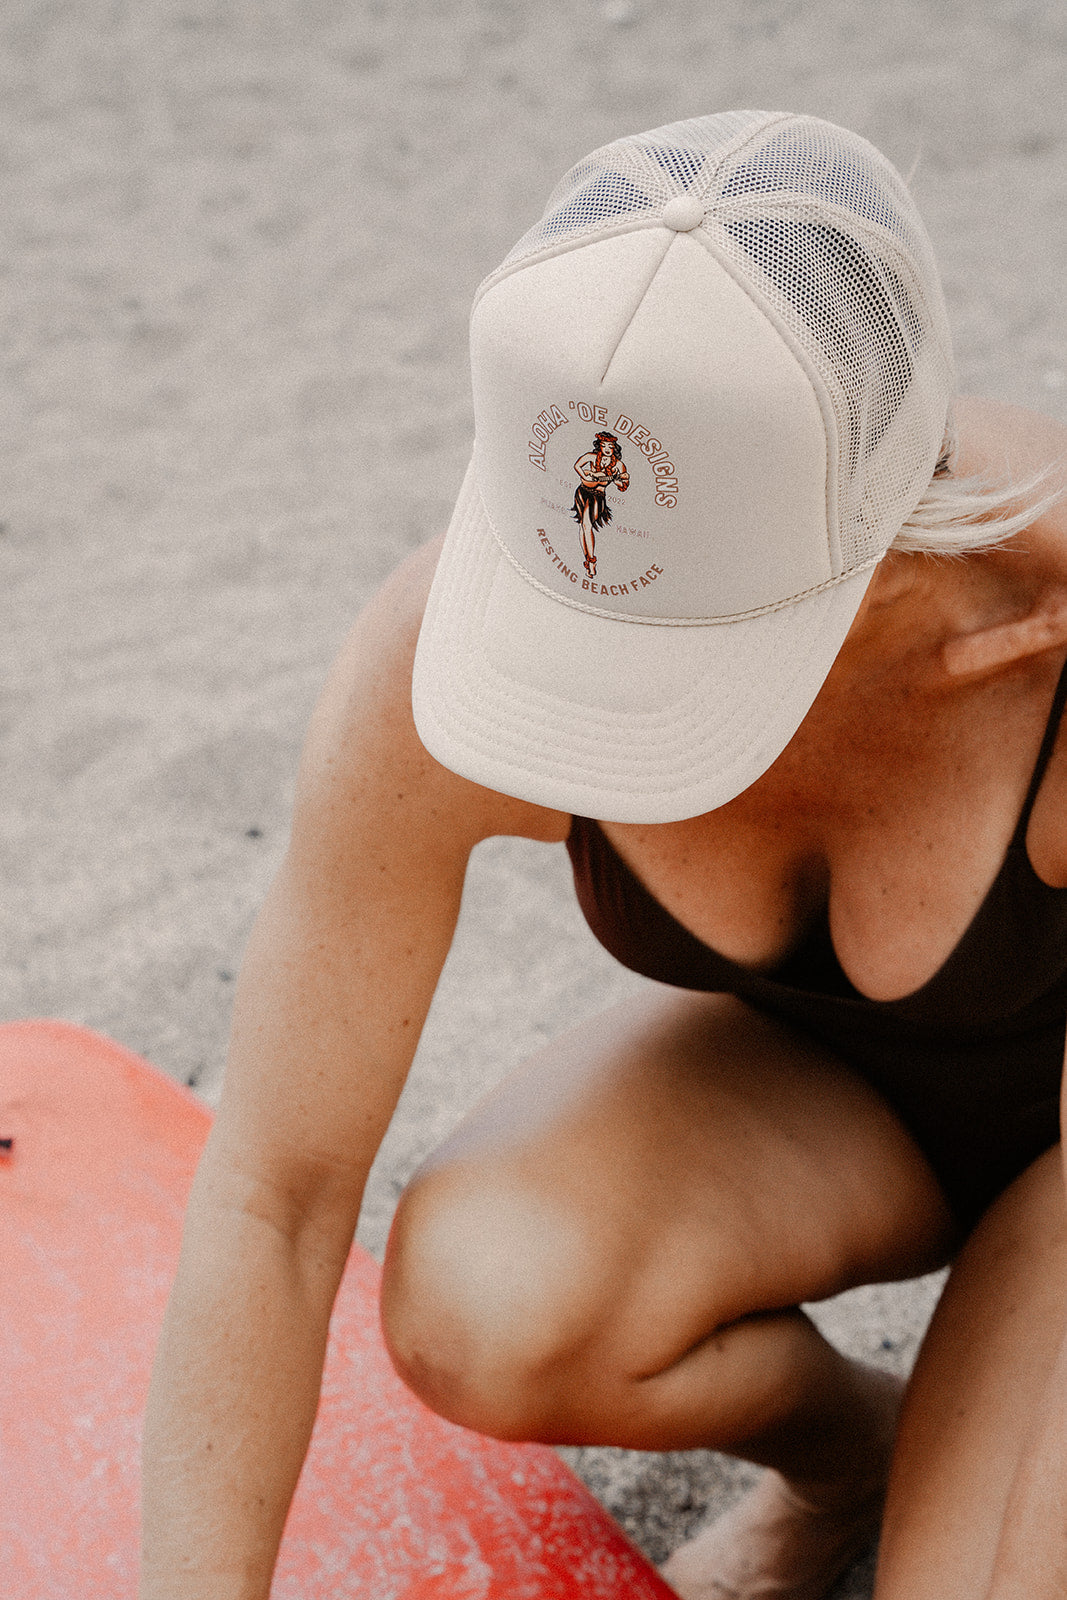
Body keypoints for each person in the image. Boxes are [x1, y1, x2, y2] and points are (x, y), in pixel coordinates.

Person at [141, 111, 1067, 1600]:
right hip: (821, 1114)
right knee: (487, 1301)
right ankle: (853, 1453)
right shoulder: (447, 641)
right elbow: (277, 1194)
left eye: (669, 646)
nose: (579, 685)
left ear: (893, 551)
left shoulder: (1045, 653)